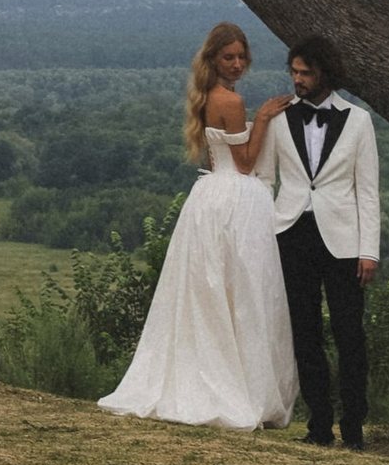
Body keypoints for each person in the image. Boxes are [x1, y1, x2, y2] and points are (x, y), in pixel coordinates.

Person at [97, 21, 299, 430]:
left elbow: (214, 158)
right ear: (213, 59)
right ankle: (238, 382)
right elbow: (243, 163)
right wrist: (261, 119)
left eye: (242, 57)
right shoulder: (230, 101)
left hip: (209, 199)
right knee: (241, 291)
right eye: (229, 57)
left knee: (211, 290)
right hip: (234, 199)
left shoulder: (206, 96)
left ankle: (216, 370)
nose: (238, 64)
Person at [260, 34, 382, 448]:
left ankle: (354, 427)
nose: (297, 80)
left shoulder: (358, 120)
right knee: (304, 332)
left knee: (351, 335)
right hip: (292, 233)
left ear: (325, 73)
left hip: (344, 242)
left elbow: (368, 190)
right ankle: (319, 425)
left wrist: (369, 251)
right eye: (294, 72)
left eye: (305, 73)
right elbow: (263, 176)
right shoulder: (279, 117)